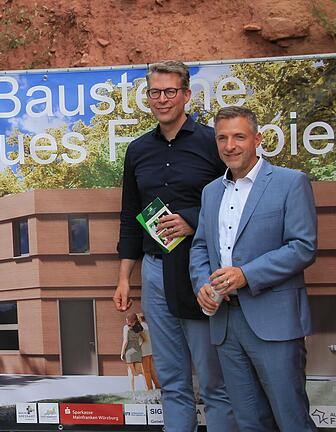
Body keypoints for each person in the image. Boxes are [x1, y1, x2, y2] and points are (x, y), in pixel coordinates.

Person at [112, 60, 237, 431]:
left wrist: (192, 219)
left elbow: (237, 203)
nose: (162, 99)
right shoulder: (137, 150)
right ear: (147, 97)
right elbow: (130, 214)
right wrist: (124, 279)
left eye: (170, 91)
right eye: (154, 92)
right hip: (154, 270)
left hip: (201, 269)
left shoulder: (212, 143)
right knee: (172, 380)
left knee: (213, 382)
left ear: (186, 94)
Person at [191, 106, 318, 431]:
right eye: (222, 138)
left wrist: (246, 274)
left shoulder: (291, 182)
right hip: (226, 324)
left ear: (257, 139)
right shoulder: (210, 192)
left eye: (239, 137)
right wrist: (202, 284)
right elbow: (201, 247)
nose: (230, 145)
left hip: (274, 322)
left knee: (292, 421)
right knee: (249, 422)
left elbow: (302, 247)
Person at [120, 313, 145, 392]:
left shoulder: (126, 328)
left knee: (130, 372)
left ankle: (132, 391)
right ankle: (146, 388)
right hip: (137, 351)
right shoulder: (139, 327)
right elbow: (142, 340)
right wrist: (139, 345)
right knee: (139, 372)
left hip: (129, 352)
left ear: (129, 320)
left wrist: (122, 352)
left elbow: (125, 341)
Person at [137, 313, 159, 390]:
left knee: (146, 371)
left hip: (144, 351)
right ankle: (157, 385)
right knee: (151, 369)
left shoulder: (140, 327)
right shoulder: (148, 326)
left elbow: (140, 340)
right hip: (150, 350)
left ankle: (149, 388)